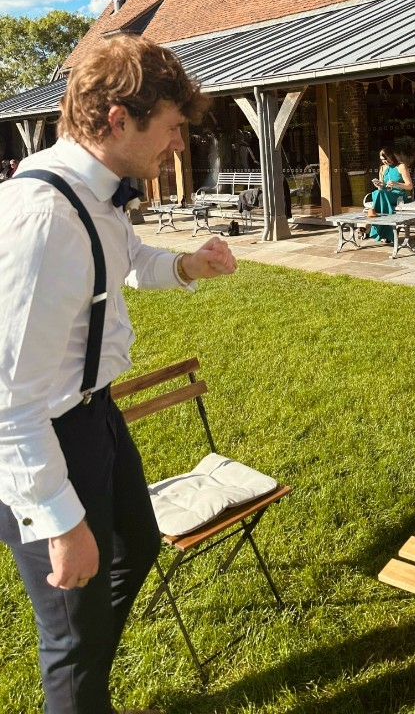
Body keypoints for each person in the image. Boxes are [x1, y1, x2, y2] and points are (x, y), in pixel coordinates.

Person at [0, 35, 237, 714]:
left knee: (134, 547)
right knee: (73, 633)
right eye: (170, 128)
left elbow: (127, 258)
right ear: (117, 120)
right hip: (42, 438)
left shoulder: (96, 192)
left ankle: (88, 686)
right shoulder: (41, 217)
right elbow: (7, 400)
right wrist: (57, 519)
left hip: (95, 417)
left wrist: (186, 266)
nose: (177, 146)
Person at [365, 146, 413, 243]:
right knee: (378, 193)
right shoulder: (383, 168)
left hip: (399, 196)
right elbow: (382, 189)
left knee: (378, 195)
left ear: (391, 156)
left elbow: (409, 186)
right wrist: (379, 185)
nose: (384, 162)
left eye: (385, 159)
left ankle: (368, 225)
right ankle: (385, 233)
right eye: (382, 160)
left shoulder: (401, 167)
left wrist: (396, 183)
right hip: (386, 195)